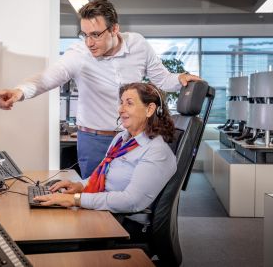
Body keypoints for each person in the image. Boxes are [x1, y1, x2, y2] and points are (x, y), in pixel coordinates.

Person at [0, 0, 200, 178]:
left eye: (96, 35)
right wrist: (20, 91)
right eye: (84, 34)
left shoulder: (138, 44)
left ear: (115, 29)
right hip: (94, 140)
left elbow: (161, 78)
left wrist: (180, 78)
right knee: (95, 201)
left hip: (133, 136)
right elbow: (50, 76)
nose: (89, 42)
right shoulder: (79, 53)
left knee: (129, 200)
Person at [34, 82, 177, 236]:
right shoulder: (122, 139)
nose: (121, 109)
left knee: (47, 230)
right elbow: (103, 175)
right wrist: (79, 186)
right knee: (41, 220)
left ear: (149, 109)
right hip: (101, 211)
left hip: (119, 222)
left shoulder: (156, 152)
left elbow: (131, 201)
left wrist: (75, 199)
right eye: (121, 103)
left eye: (129, 103)